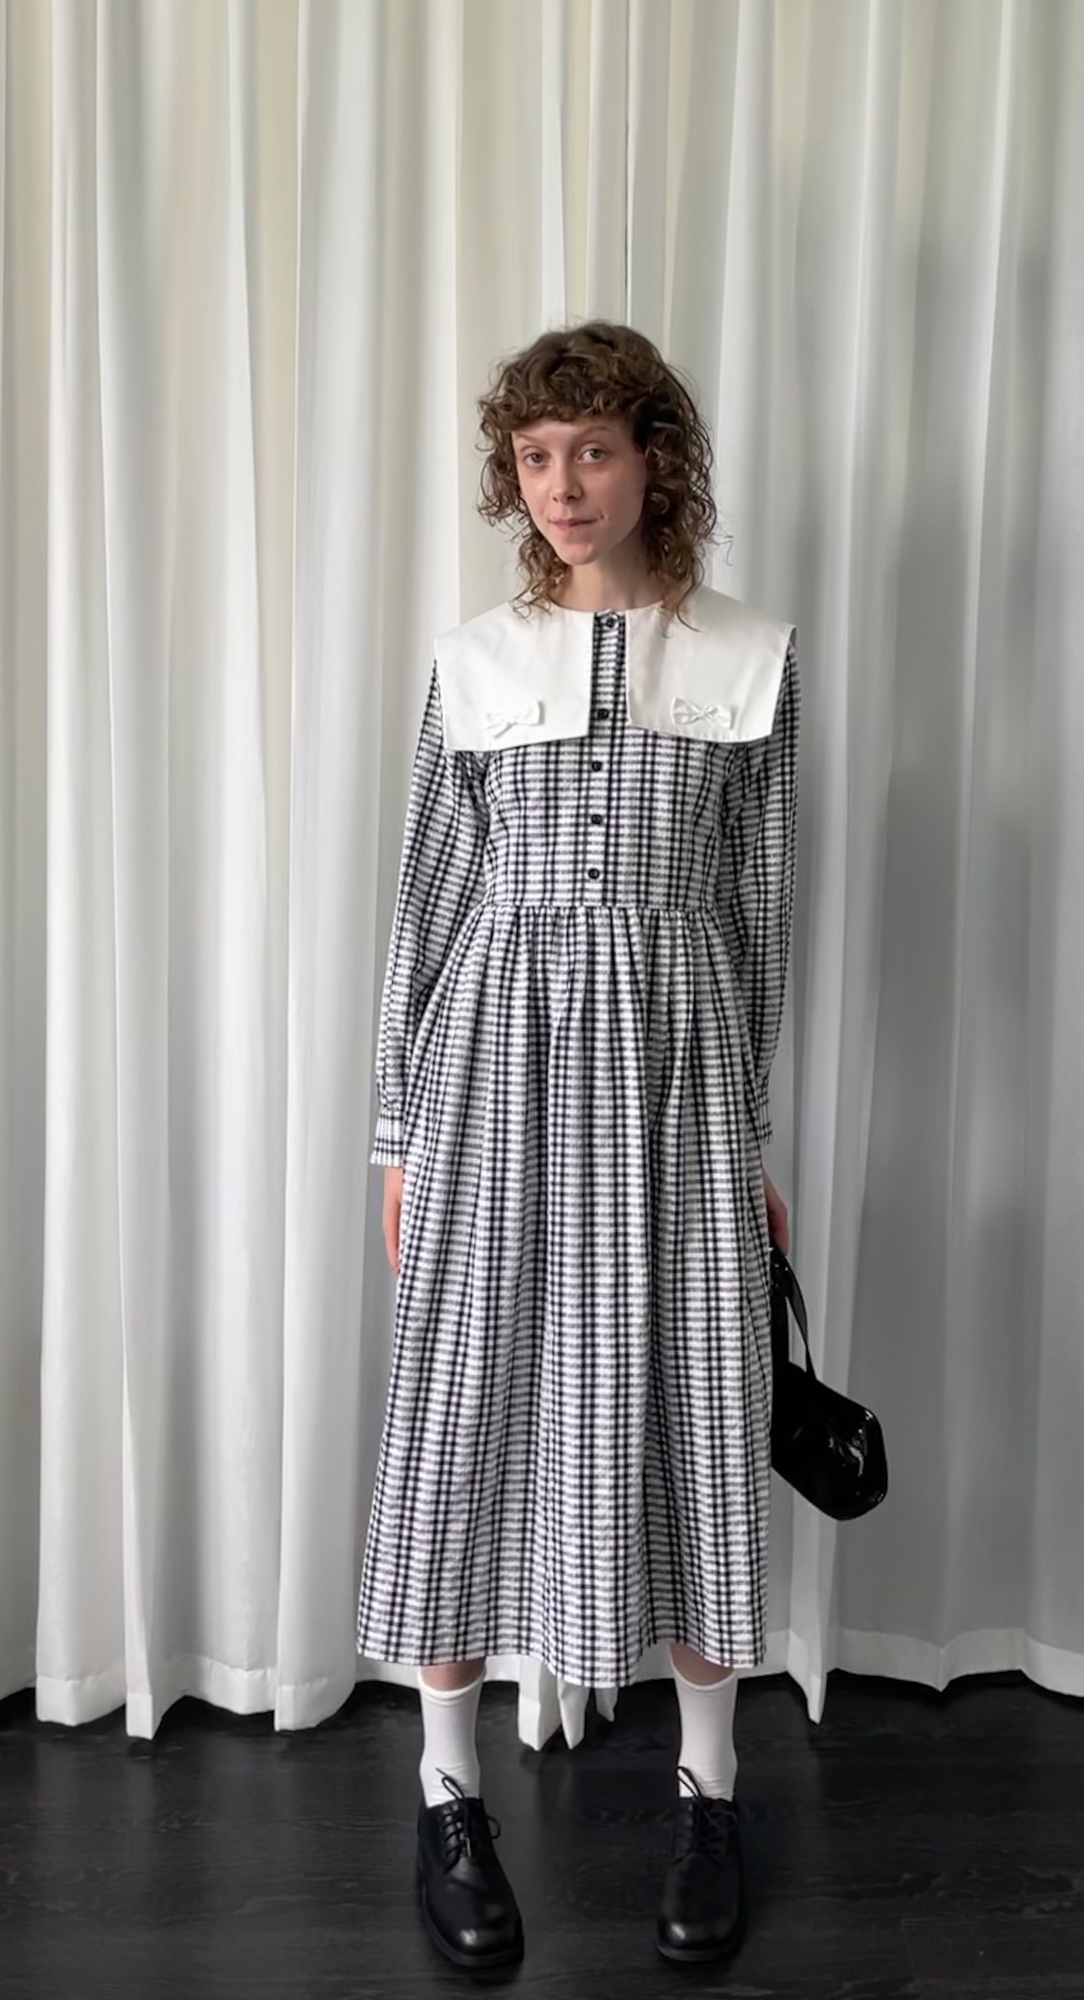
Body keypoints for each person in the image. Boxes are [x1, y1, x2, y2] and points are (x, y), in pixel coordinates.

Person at [356, 318, 799, 1972]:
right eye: (536, 457)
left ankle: (710, 1790)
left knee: (694, 1403)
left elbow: (757, 912)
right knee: (466, 1404)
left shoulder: (747, 656)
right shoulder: (475, 664)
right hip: (491, 1073)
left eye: (594, 449)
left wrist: (750, 1133)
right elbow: (427, 905)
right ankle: (447, 1791)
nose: (563, 483)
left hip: (678, 1086)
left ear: (653, 462)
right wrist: (398, 1136)